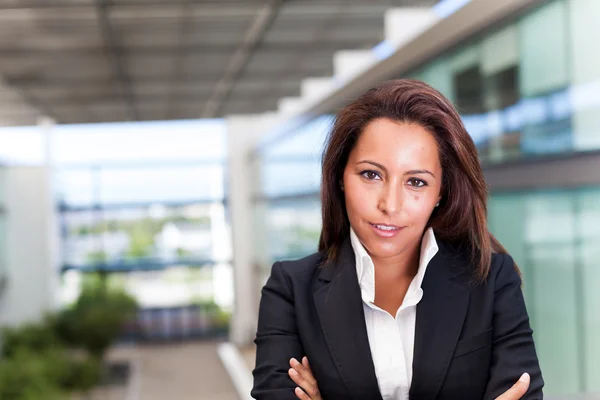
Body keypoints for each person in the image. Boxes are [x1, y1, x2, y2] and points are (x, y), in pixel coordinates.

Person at [251, 79, 544, 400]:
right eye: (371, 174)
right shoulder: (291, 290)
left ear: (440, 192)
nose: (390, 205)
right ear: (340, 177)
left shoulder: (491, 279)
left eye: (416, 182)